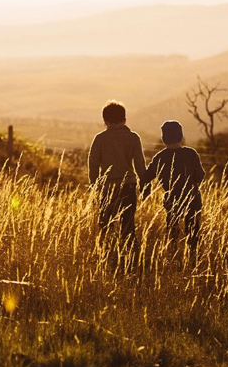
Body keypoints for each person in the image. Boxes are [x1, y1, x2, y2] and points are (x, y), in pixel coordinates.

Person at [88, 101, 148, 253]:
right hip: (128, 187)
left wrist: (94, 186)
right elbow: (140, 165)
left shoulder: (99, 139)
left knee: (105, 227)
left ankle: (107, 257)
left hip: (106, 189)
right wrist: (145, 185)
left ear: (105, 121)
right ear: (124, 120)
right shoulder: (133, 138)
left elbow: (93, 165)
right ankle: (131, 259)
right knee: (128, 227)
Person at [147, 120, 205, 256]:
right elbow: (200, 176)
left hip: (171, 198)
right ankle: (193, 258)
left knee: (172, 231)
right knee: (193, 232)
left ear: (163, 138)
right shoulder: (191, 153)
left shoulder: (160, 157)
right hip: (192, 197)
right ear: (181, 136)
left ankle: (174, 258)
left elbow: (146, 176)